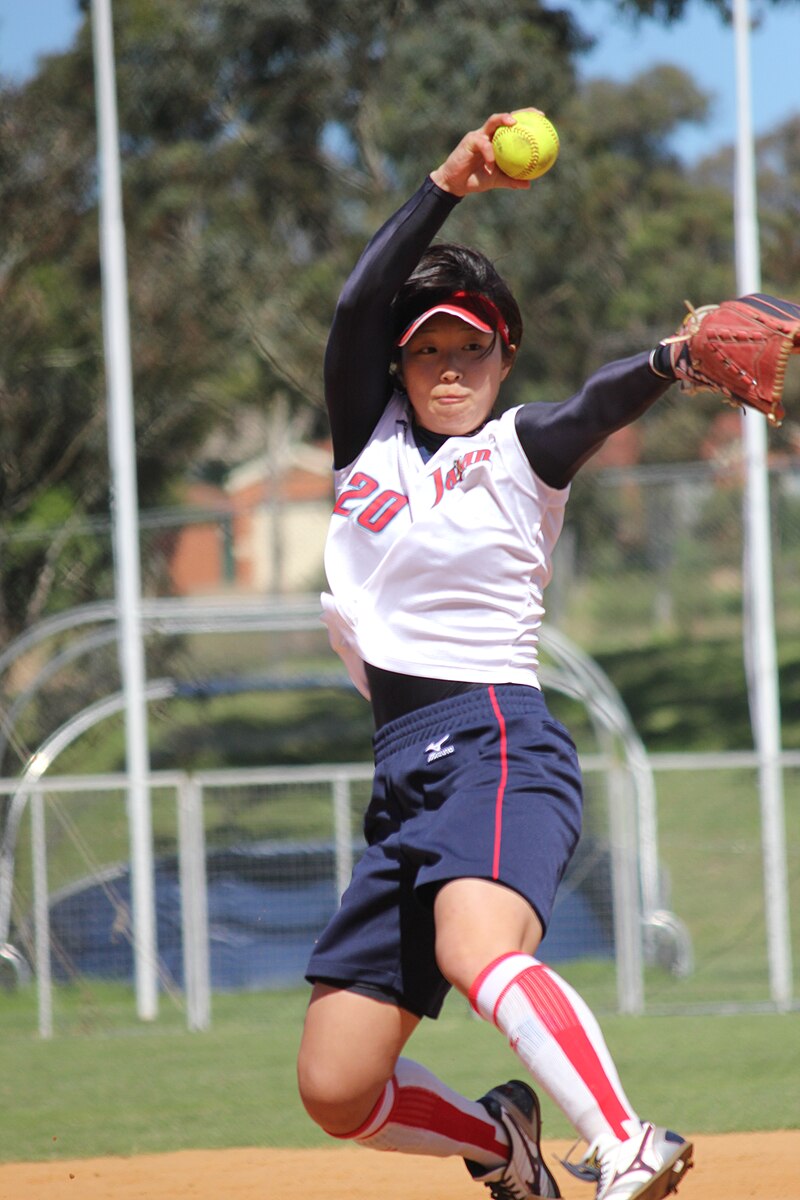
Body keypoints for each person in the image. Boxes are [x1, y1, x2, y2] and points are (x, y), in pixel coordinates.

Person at [296, 111, 694, 1200]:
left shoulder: (515, 453)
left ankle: (625, 1140)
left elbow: (596, 400)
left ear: (502, 350)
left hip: (492, 740)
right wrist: (445, 182)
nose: (445, 361)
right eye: (424, 345)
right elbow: (349, 308)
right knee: (336, 1085)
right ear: (398, 362)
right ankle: (498, 1143)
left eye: (468, 342)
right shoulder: (365, 440)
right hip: (399, 775)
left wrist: (674, 357)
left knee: (479, 946)